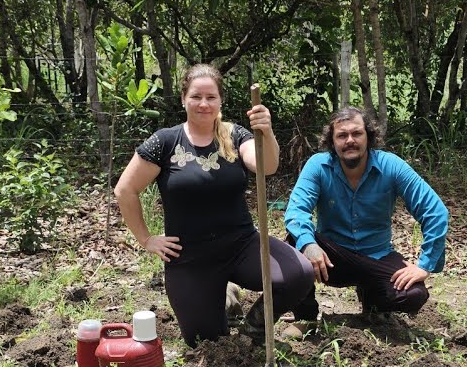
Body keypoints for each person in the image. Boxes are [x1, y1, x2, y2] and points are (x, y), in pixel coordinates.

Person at [114, 64, 313, 347]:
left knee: (300, 274)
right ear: (184, 98)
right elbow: (125, 190)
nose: (203, 104)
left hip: (241, 244)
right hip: (190, 257)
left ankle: (254, 326)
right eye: (196, 96)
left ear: (220, 100)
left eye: (211, 97)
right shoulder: (165, 142)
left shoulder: (235, 135)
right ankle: (223, 299)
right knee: (206, 342)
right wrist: (146, 239)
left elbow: (266, 166)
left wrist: (266, 133)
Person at [284, 107, 448, 320]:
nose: (349, 140)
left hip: (377, 255)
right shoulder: (318, 166)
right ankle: (305, 318)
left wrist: (425, 266)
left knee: (413, 294)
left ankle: (373, 303)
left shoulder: (391, 166)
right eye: (342, 135)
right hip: (333, 258)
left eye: (357, 133)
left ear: (368, 137)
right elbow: (297, 211)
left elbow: (435, 211)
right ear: (332, 142)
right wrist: (308, 244)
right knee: (293, 243)